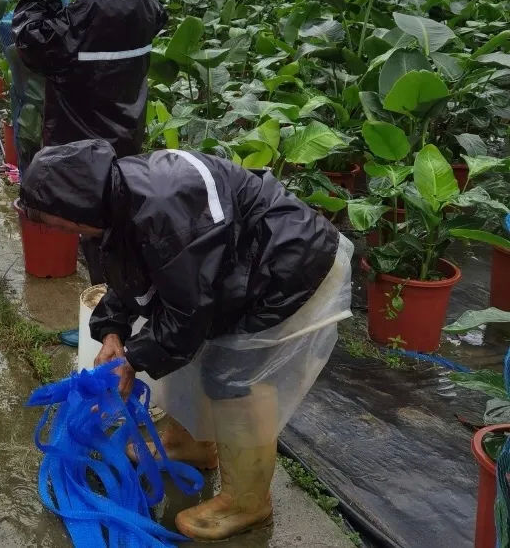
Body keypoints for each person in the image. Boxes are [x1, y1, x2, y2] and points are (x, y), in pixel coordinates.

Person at [18, 139, 354, 541]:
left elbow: (188, 313)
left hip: (288, 266)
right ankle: (193, 442)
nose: (58, 231)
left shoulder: (164, 212)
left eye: (56, 222)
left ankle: (248, 501)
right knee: (193, 354)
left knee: (234, 378)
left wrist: (132, 359)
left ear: (75, 206)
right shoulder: (112, 201)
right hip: (235, 266)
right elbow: (132, 279)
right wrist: (112, 331)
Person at [12, 0, 169, 305]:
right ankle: (125, 304)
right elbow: (153, 10)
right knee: (120, 223)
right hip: (127, 135)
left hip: (84, 144)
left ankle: (110, 315)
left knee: (97, 232)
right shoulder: (146, 2)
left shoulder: (84, 15)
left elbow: (31, 39)